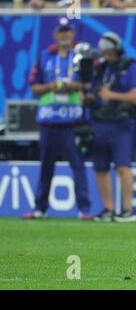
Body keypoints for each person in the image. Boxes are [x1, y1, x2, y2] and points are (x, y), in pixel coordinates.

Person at [24, 17, 92, 220]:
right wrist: (49, 87)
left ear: (73, 33)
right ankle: (40, 208)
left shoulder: (81, 56)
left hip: (72, 122)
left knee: (78, 167)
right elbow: (34, 86)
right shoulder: (45, 56)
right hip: (49, 121)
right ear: (55, 34)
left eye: (68, 31)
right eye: (61, 31)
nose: (64, 34)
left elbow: (89, 85)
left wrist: (75, 86)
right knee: (46, 167)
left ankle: (84, 210)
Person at [85, 32, 136, 222]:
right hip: (100, 122)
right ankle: (108, 209)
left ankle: (128, 210)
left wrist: (111, 95)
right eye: (105, 54)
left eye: (110, 53)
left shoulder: (131, 67)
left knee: (122, 165)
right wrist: (89, 97)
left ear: (118, 50)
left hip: (122, 123)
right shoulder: (101, 69)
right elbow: (96, 92)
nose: (108, 57)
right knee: (100, 167)